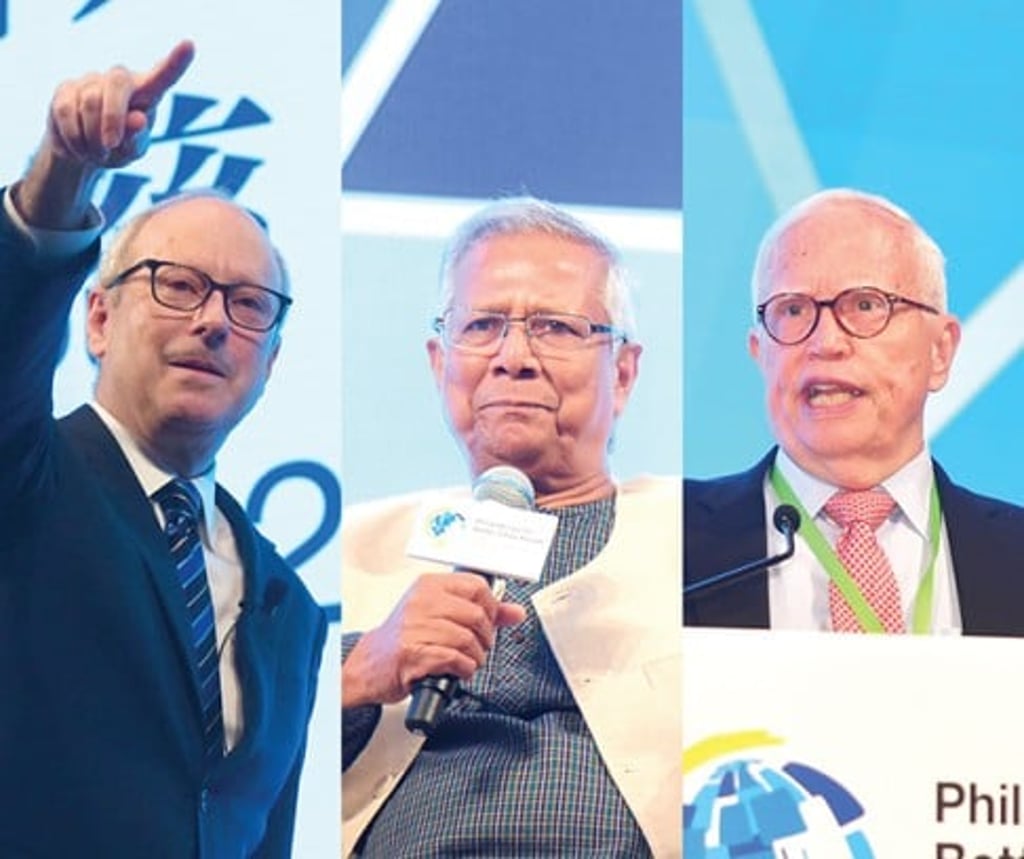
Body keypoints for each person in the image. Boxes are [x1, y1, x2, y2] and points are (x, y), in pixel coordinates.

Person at [0, 43, 326, 857]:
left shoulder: (291, 607)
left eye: (249, 303)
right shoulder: (25, 475)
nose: (214, 320)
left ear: (272, 361)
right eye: (176, 285)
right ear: (98, 320)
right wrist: (62, 177)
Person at [340, 199, 680, 857]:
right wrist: (359, 670)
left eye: (554, 326)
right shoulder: (350, 547)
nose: (513, 356)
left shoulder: (699, 537)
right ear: (440, 363)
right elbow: (228, 746)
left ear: (625, 371)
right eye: (484, 324)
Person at [684, 188, 1024, 634]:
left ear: (940, 351)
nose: (825, 343)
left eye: (866, 305)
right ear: (759, 352)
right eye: (793, 310)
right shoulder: (666, 543)